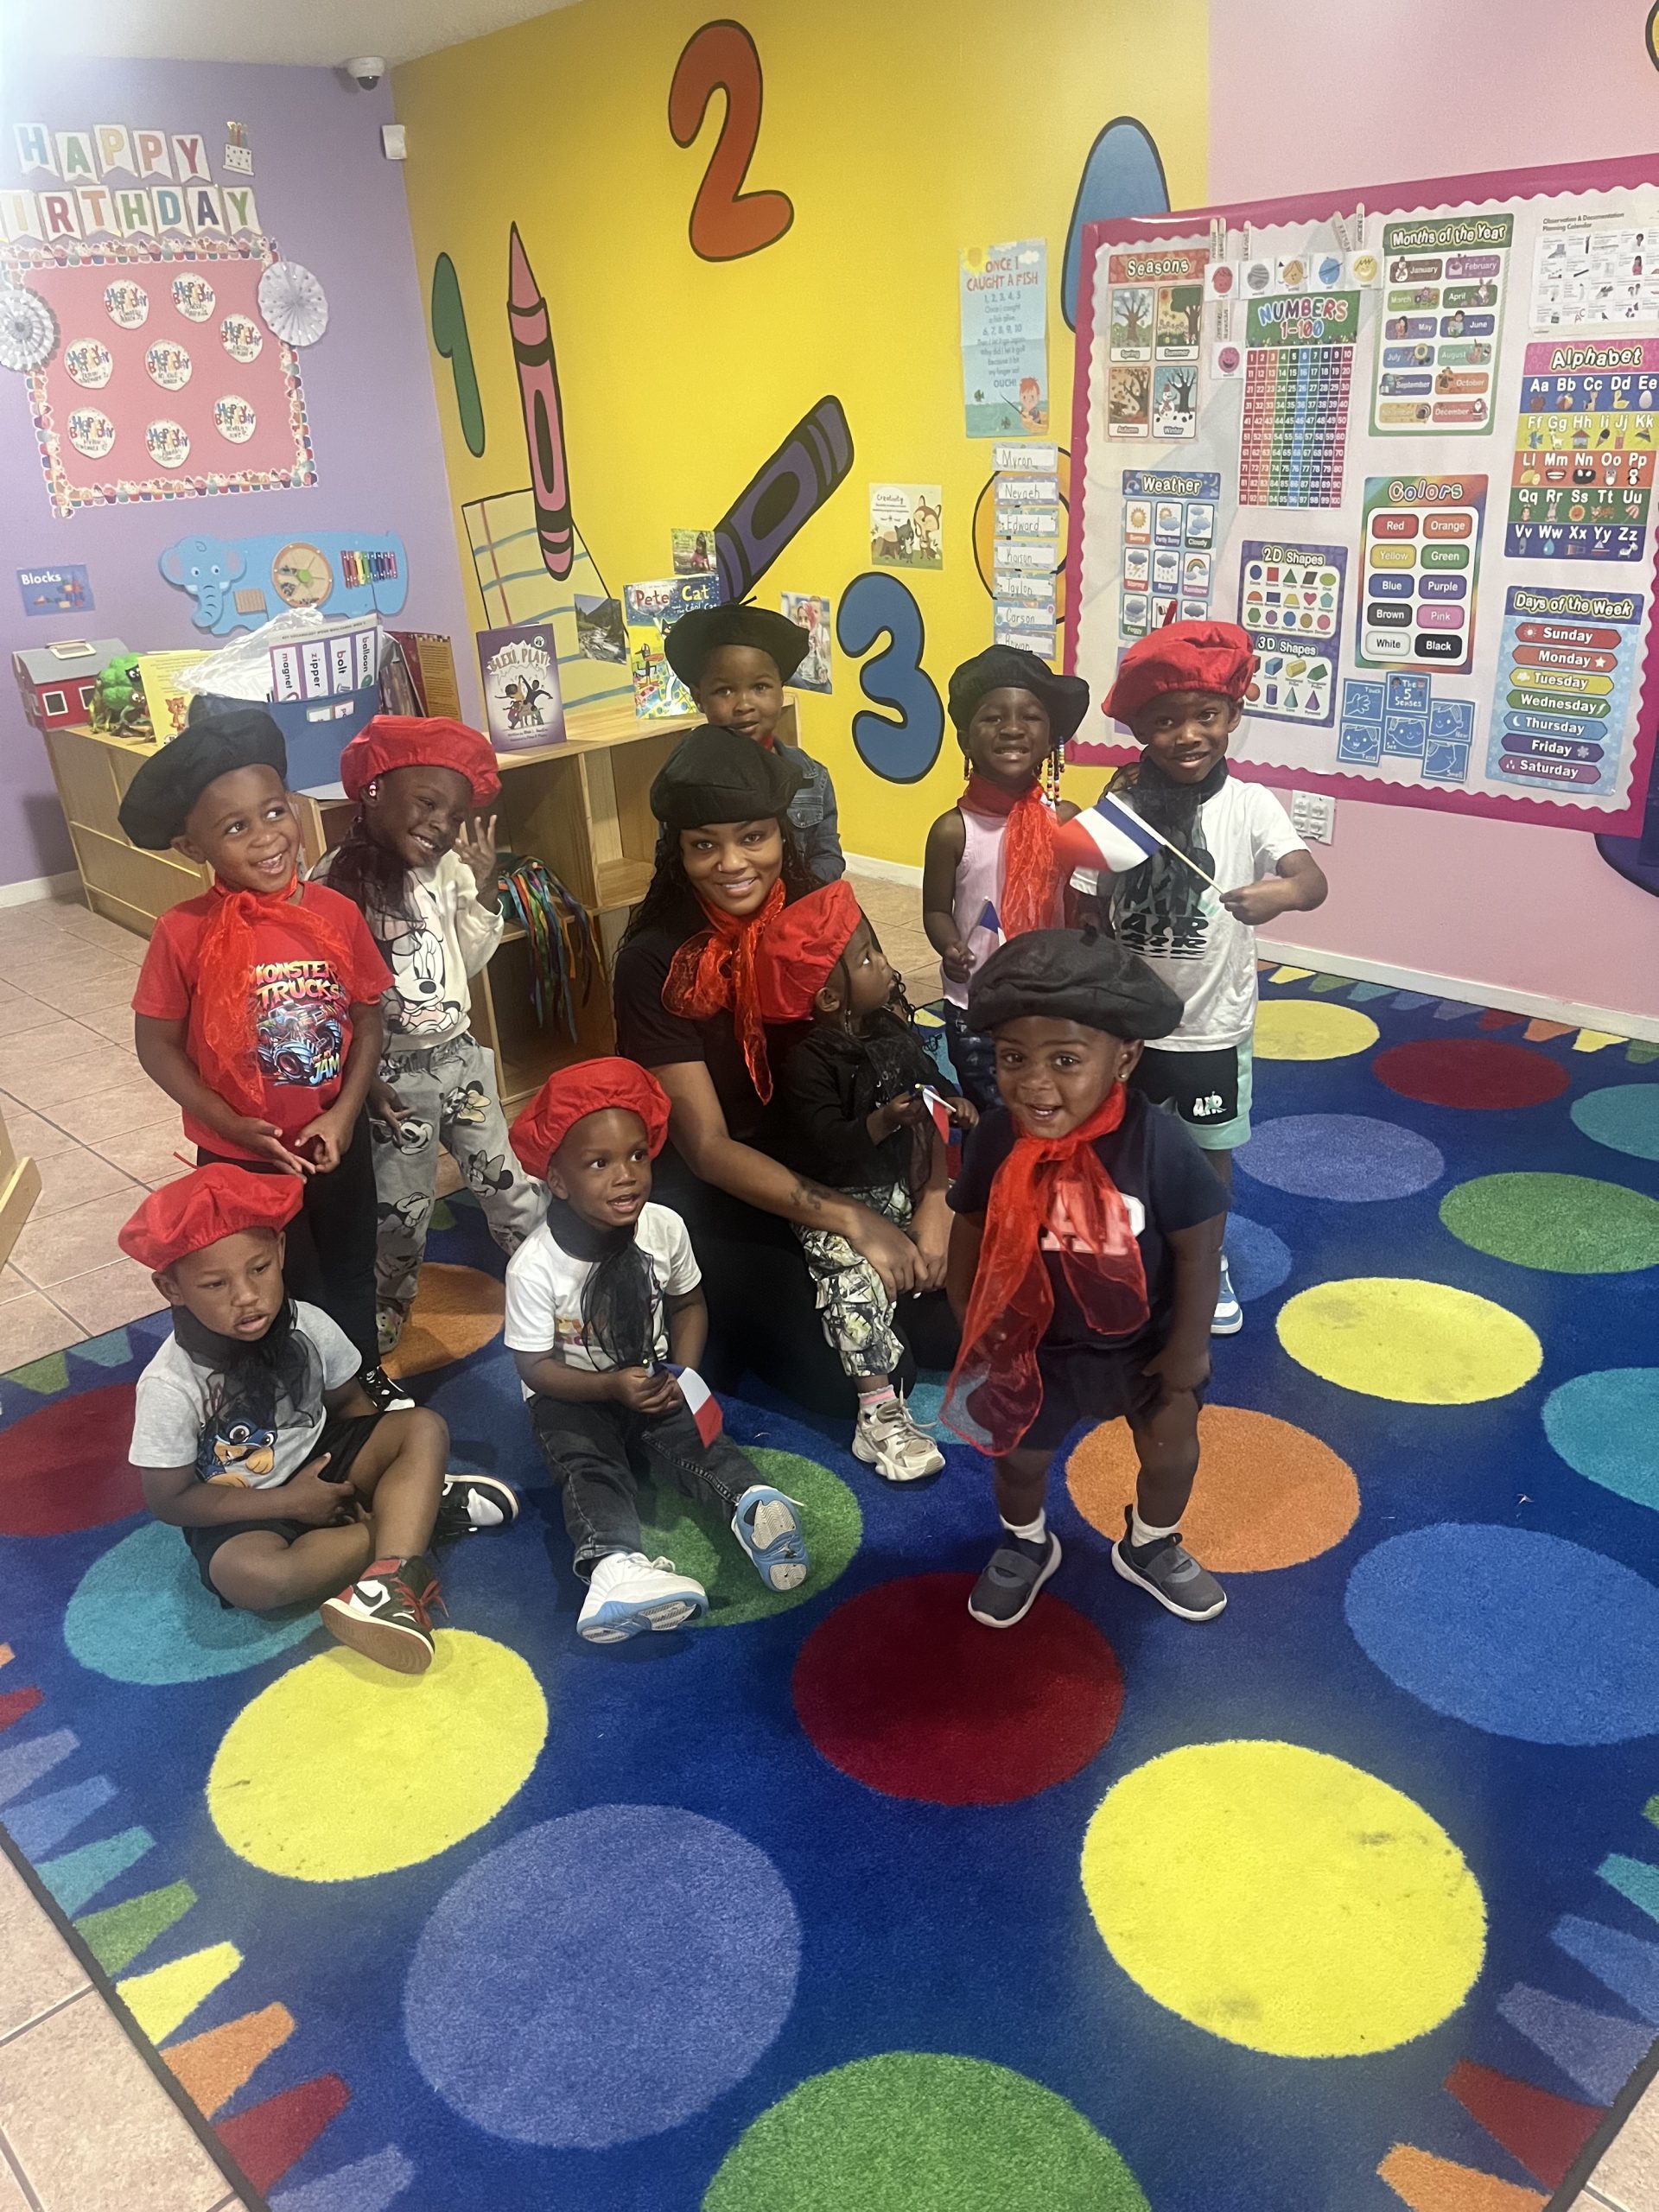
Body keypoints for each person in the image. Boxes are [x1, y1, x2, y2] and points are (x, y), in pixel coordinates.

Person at [613, 726, 957, 1415]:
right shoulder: (654, 959)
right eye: (704, 845)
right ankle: (709, 1306)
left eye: (752, 838)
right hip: (727, 1188)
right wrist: (854, 1222)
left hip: (843, 1150)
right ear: (678, 851)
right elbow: (708, 1149)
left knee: (951, 1325)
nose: (731, 864)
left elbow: (902, 1062)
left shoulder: (821, 909)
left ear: (781, 834)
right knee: (860, 1374)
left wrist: (934, 1200)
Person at [121, 703, 410, 1412]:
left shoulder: (335, 914)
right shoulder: (181, 933)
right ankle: (293, 1395)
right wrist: (228, 1123)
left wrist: (345, 1112)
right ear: (192, 847)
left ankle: (361, 1375)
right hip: (241, 1156)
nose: (267, 836)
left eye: (275, 812)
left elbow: (367, 1017)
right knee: (274, 1279)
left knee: (349, 1262)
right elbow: (155, 1045)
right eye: (235, 827)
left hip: (333, 1140)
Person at [120, 1166, 518, 1674]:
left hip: (326, 1460)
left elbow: (351, 1405)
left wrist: (370, 1470)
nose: (246, 1295)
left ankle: (388, 1583)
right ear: (170, 1288)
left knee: (422, 1426)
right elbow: (170, 1500)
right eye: (216, 1284)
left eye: (259, 1269)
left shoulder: (307, 1323)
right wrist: (290, 1502)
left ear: (281, 1251)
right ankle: (416, 1518)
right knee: (255, 1581)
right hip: (240, 1508)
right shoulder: (169, 1385)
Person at [945, 931, 1229, 1631]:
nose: (1034, 1083)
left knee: (1171, 1451)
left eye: (1066, 1060)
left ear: (1124, 1058)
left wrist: (1189, 1349)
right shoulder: (997, 1138)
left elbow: (1200, 1249)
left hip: (1145, 1346)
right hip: (1036, 1346)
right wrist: (968, 1312)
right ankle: (1026, 1542)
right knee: (1018, 1460)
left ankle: (1150, 1544)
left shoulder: (1158, 1142)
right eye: (1013, 1058)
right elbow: (970, 1226)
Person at [1066, 621, 1328, 1334]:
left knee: (1210, 1156)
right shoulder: (1124, 810)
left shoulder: (1250, 804)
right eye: (1165, 721)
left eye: (1206, 716)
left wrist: (1282, 892)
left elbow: (1312, 881)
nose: (1188, 735)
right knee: (1118, 1147)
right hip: (1129, 1025)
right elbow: (1086, 902)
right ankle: (1128, 1251)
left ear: (1233, 715)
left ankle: (1206, 1262)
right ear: (1139, 730)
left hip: (1211, 1027)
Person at [504, 1058, 810, 1643]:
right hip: (571, 1394)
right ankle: (614, 1568)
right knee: (587, 1463)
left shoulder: (663, 1226)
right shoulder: (535, 1267)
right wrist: (607, 1387)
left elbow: (689, 1303)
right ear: (558, 1181)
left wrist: (683, 1373)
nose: (626, 1176)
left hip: (649, 1378)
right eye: (599, 1163)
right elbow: (533, 1368)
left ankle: (754, 1509)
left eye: (637, 1156)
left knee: (699, 1439)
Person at [312, 715, 546, 1357]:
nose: (441, 825)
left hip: (461, 1060)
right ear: (374, 790)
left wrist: (486, 889)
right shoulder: (330, 886)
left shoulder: (446, 873)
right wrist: (363, 1082)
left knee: (507, 1186)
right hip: (391, 1080)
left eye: (455, 815)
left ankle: (555, 1273)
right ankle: (389, 1300)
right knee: (403, 1209)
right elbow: (328, 1002)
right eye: (427, 803)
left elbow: (463, 964)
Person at [755, 878, 974, 1481]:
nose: (885, 964)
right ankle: (877, 1412)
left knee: (978, 1226)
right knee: (849, 1283)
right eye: (869, 957)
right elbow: (824, 1141)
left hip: (905, 1186)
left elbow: (931, 1078)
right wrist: (881, 1122)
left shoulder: (890, 1029)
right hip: (836, 1202)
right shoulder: (807, 1060)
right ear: (830, 998)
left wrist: (954, 1102)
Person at [922, 647, 1089, 1114]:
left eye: (1030, 717)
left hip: (1051, 1000)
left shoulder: (1067, 821)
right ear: (964, 740)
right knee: (993, 1114)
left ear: (1052, 739)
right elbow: (936, 910)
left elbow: (1084, 902)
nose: (1012, 728)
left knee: (1048, 1109)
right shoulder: (953, 830)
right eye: (993, 717)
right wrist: (949, 945)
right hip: (977, 1005)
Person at [664, 601, 843, 882]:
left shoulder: (812, 778)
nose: (744, 705)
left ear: (781, 691)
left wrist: (801, 898)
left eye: (760, 687)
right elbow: (671, 865)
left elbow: (827, 855)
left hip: (797, 905)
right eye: (724, 690)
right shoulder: (683, 782)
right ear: (699, 698)